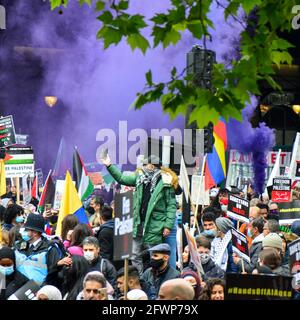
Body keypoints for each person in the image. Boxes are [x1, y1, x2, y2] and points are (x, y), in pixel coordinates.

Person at [101, 153, 177, 275]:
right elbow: (121, 178)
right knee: (134, 254)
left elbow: (171, 206)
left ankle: (153, 277)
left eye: (146, 165)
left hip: (155, 224)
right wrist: (109, 165)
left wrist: (168, 225)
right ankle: (141, 277)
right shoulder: (139, 178)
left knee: (155, 255)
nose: (143, 167)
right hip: (138, 223)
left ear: (152, 166)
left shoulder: (166, 182)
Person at [14, 213, 61, 286]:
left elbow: (53, 274)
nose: (23, 232)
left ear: (35, 233)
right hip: (18, 289)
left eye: (26, 230)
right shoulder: (18, 245)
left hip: (39, 292)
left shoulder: (49, 249)